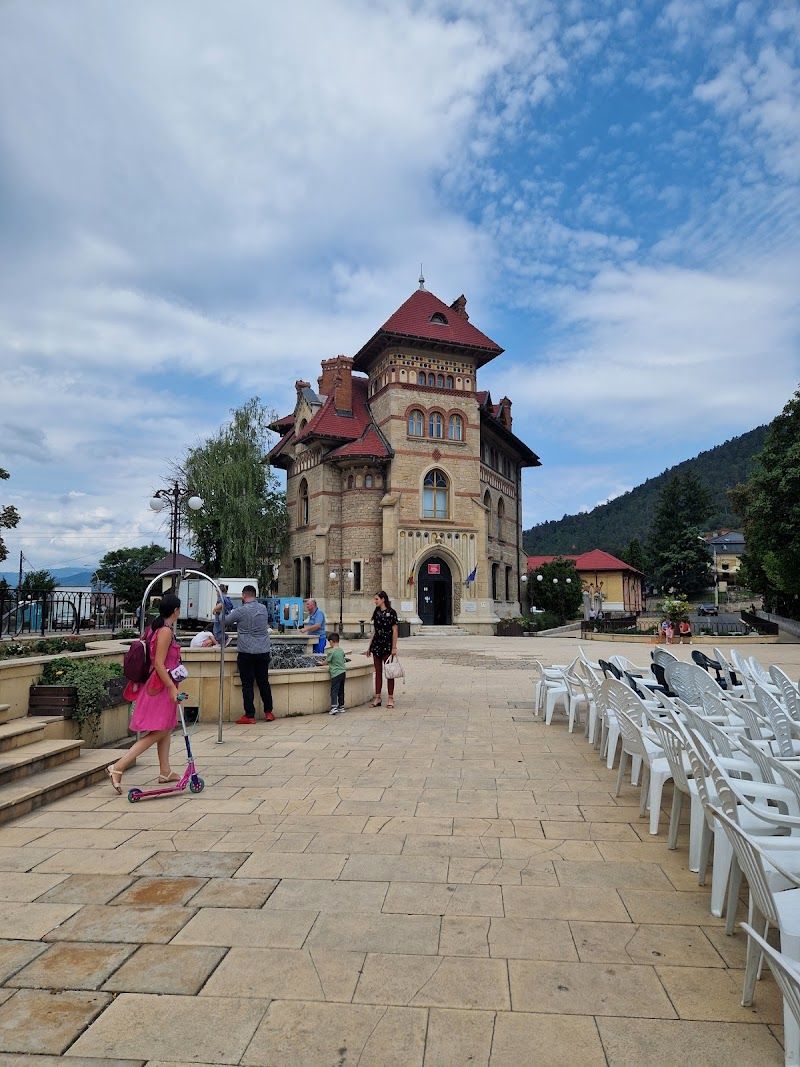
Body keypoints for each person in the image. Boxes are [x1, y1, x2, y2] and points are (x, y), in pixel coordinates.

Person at [107, 593, 184, 793]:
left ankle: (165, 770)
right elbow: (159, 663)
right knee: (158, 731)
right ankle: (118, 766)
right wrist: (171, 687)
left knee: (165, 727)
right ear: (176, 611)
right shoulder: (165, 631)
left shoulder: (155, 629)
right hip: (160, 687)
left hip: (158, 684)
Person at [214, 584, 274, 724]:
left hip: (246, 652)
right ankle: (269, 712)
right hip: (263, 651)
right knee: (263, 682)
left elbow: (224, 622)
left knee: (247, 684)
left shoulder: (240, 611)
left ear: (244, 596)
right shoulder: (263, 609)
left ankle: (250, 715)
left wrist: (218, 611)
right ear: (255, 595)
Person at [364, 590, 398, 708]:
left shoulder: (392, 612)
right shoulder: (376, 612)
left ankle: (390, 698)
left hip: (387, 646)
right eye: (375, 599)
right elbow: (374, 631)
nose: (375, 601)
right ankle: (377, 697)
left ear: (383, 599)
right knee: (378, 672)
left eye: (376, 599)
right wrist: (369, 647)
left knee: (389, 672)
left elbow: (395, 630)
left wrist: (394, 647)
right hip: (377, 645)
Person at [319, 632, 348, 715]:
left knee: (334, 691)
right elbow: (343, 659)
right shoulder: (341, 650)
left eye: (329, 642)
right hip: (343, 672)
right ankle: (341, 707)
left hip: (335, 674)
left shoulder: (331, 652)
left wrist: (321, 663)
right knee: (341, 690)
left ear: (331, 641)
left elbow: (327, 661)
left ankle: (334, 707)